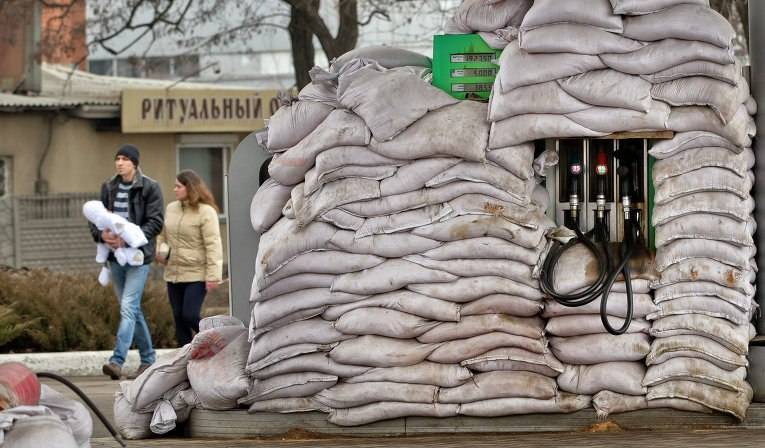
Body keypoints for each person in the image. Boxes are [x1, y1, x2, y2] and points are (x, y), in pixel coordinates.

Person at [89, 144, 164, 380]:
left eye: (124, 159)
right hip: (114, 257)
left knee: (128, 307)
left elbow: (155, 222)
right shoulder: (108, 187)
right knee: (131, 309)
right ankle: (149, 359)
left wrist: (129, 240)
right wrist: (102, 235)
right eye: (117, 158)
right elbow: (97, 219)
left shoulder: (149, 187)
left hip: (138, 257)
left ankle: (117, 361)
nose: (119, 162)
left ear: (134, 163)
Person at [156, 169, 223, 347]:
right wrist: (161, 253)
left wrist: (213, 275)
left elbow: (213, 244)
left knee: (190, 315)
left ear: (190, 188)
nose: (174, 189)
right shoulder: (171, 208)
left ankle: (214, 342)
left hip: (196, 273)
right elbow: (162, 236)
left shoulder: (206, 212)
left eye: (178, 186)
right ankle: (185, 358)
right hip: (173, 273)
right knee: (178, 318)